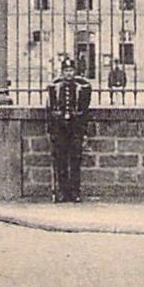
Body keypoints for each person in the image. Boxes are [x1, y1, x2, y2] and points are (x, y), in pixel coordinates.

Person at [45, 55, 92, 203]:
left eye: (71, 70)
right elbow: (51, 111)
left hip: (75, 129)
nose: (69, 74)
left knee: (75, 160)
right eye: (66, 71)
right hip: (60, 129)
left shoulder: (80, 89)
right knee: (61, 161)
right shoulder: (56, 88)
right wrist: (51, 130)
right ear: (62, 72)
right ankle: (63, 191)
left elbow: (84, 112)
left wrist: (84, 133)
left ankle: (75, 192)